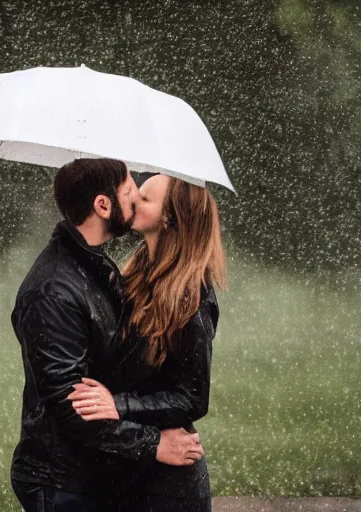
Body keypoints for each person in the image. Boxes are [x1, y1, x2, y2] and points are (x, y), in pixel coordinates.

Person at [10, 159, 203, 512]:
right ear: (103, 206)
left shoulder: (97, 267)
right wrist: (153, 443)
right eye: (131, 193)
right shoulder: (54, 290)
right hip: (62, 482)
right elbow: (71, 404)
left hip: (91, 477)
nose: (135, 202)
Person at [68, 174, 227, 511]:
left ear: (170, 216)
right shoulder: (139, 270)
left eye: (145, 198)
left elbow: (192, 398)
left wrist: (119, 404)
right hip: (132, 466)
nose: (132, 201)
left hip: (168, 483)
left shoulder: (191, 296)